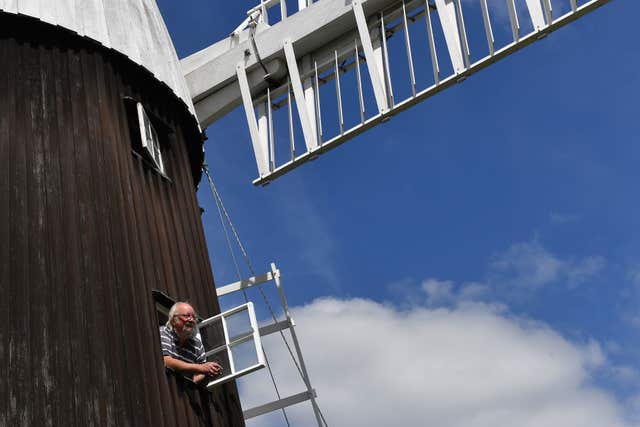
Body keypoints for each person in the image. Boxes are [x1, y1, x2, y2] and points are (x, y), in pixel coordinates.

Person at [160, 301, 222, 383]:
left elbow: (195, 378)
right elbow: (165, 361)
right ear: (174, 319)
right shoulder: (163, 332)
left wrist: (209, 372)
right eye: (187, 316)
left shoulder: (197, 344)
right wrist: (201, 368)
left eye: (194, 317)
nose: (191, 320)